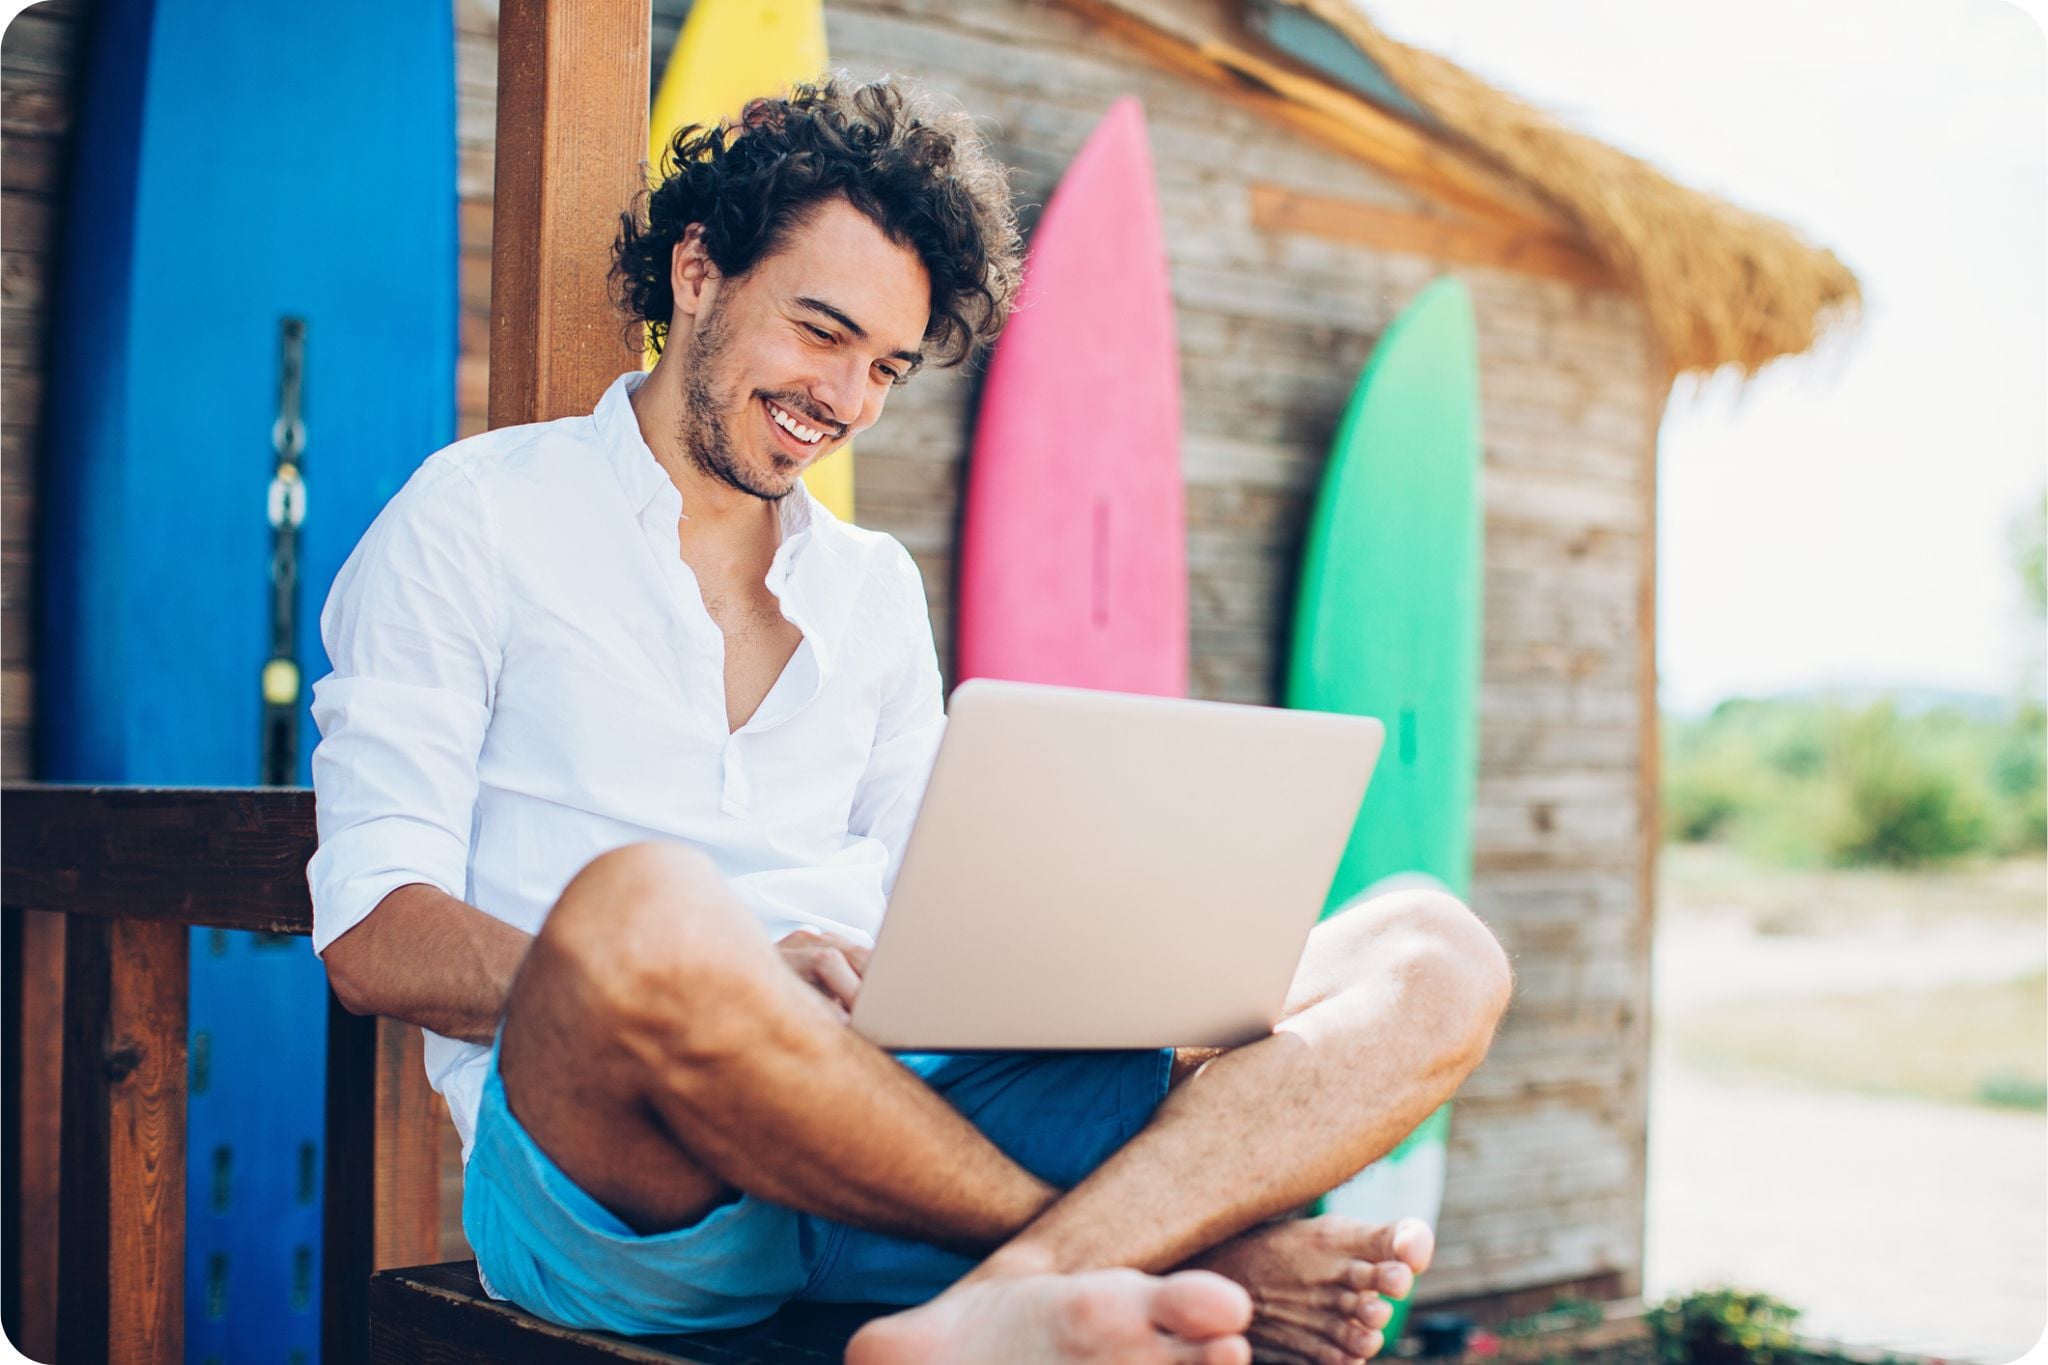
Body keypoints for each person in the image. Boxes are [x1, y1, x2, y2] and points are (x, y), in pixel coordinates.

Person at [308, 77, 1513, 1365]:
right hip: (632, 1182)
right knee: (647, 909)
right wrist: (712, 975)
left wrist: (1112, 960)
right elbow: (373, 936)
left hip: (897, 1117)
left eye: (885, 364)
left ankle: (1020, 1284)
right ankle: (1141, 1249)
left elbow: (940, 898)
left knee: (1435, 949)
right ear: (700, 270)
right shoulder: (476, 516)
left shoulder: (871, 588)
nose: (846, 398)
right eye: (820, 332)